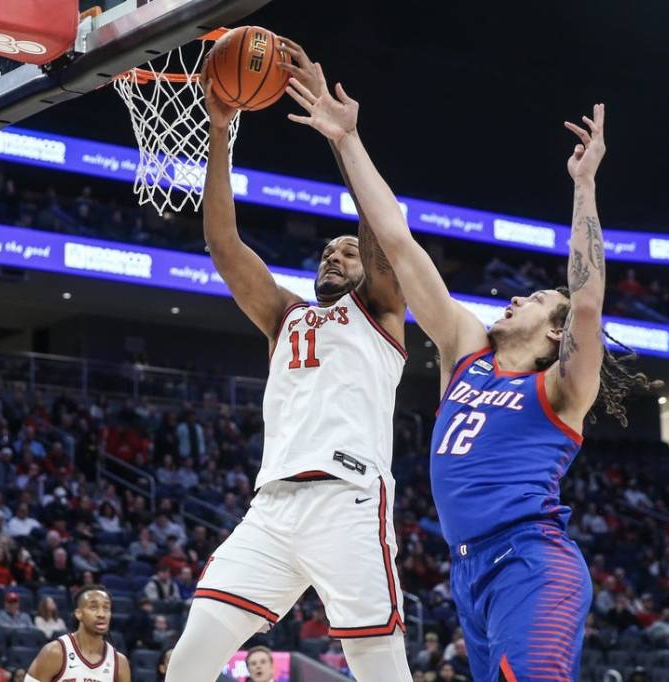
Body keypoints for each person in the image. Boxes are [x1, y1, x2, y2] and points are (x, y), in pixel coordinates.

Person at [288, 69, 656, 682]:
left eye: (536, 299)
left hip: (532, 563)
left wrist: (584, 185)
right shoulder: (466, 353)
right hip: (468, 574)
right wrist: (346, 140)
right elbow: (400, 246)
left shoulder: (562, 391)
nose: (515, 300)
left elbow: (586, 301)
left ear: (556, 333)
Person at [167, 38, 411, 682]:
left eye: (347, 252)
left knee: (380, 669)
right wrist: (220, 130)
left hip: (349, 499)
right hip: (272, 509)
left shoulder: (382, 310)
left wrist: (341, 138)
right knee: (187, 662)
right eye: (328, 251)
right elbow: (223, 243)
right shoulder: (285, 314)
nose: (336, 255)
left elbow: (382, 232)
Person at [26, 587, 129, 682]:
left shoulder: (119, 663)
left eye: (106, 608)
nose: (101, 614)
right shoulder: (55, 652)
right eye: (93, 607)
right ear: (79, 614)